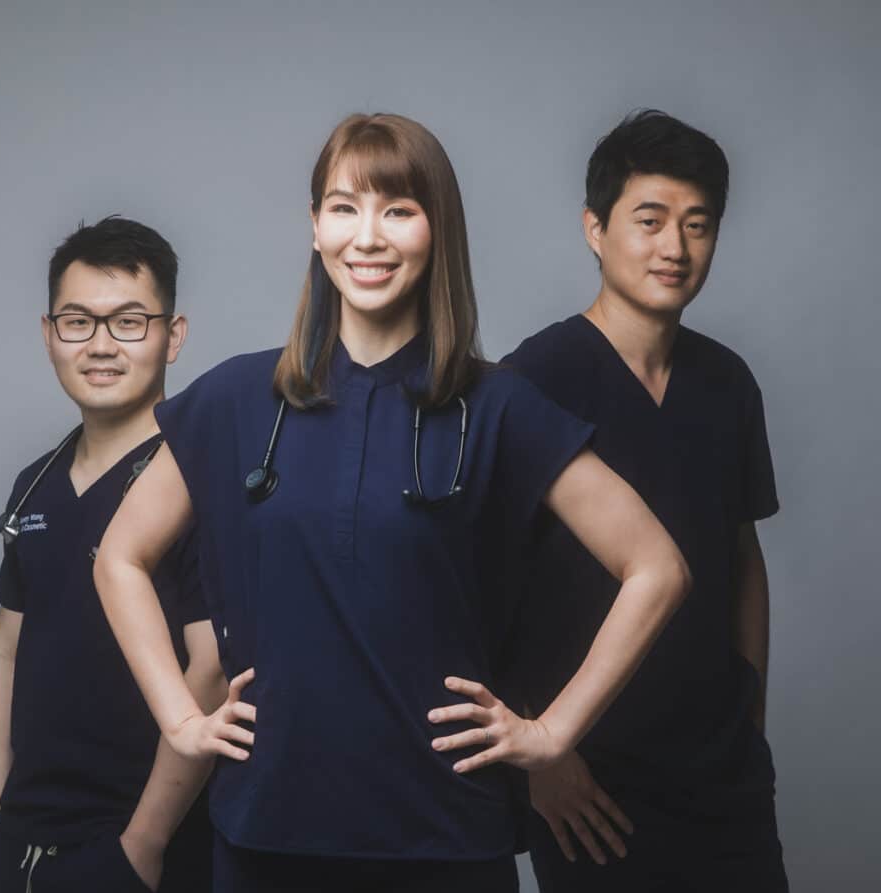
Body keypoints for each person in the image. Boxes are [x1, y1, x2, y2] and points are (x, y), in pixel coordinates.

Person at [93, 113, 691, 893]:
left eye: (397, 210)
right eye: (344, 208)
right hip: (268, 831)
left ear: (436, 229)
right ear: (315, 227)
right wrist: (181, 718)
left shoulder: (498, 405)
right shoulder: (241, 398)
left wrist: (551, 731)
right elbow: (119, 555)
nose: (367, 236)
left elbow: (657, 566)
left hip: (443, 840)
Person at [504, 110, 789, 892]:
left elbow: (741, 561)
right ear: (595, 228)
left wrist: (750, 721)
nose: (675, 247)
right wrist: (543, 756)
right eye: (651, 219)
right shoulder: (532, 381)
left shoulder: (727, 382)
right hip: (591, 783)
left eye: (698, 225)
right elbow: (480, 588)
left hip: (721, 771)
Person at [0, 216, 231, 892]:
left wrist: (143, 843)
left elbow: (213, 666)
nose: (101, 345)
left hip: (146, 847)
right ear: (49, 333)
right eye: (77, 321)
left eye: (129, 322)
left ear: (172, 337)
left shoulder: (195, 479)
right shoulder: (36, 480)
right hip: (23, 843)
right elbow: (4, 649)